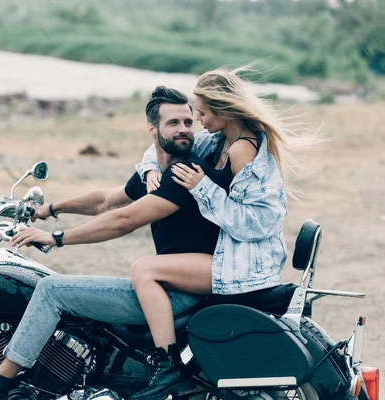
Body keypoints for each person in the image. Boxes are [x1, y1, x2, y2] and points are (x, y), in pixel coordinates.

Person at [0, 86, 219, 400]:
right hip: (166, 284)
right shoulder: (157, 173)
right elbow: (105, 200)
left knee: (51, 291)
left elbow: (123, 220)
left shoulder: (185, 173)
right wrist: (50, 209)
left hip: (178, 293)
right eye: (173, 123)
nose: (184, 129)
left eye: (188, 122)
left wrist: (56, 238)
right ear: (152, 129)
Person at [130, 67, 314, 399]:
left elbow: (257, 223)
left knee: (144, 269)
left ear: (223, 111)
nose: (196, 119)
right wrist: (149, 170)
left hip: (246, 265)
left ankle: (168, 366)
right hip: (230, 256)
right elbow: (163, 145)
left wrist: (204, 189)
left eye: (200, 112)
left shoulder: (244, 150)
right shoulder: (218, 140)